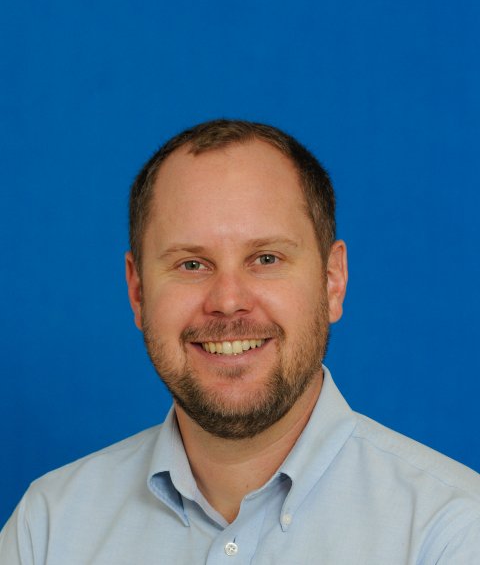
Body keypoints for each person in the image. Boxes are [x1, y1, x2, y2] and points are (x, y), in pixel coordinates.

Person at [1, 119, 479, 564]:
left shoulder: (452, 532)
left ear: (333, 281)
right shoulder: (47, 530)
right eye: (191, 264)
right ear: (138, 292)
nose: (228, 302)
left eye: (266, 258)